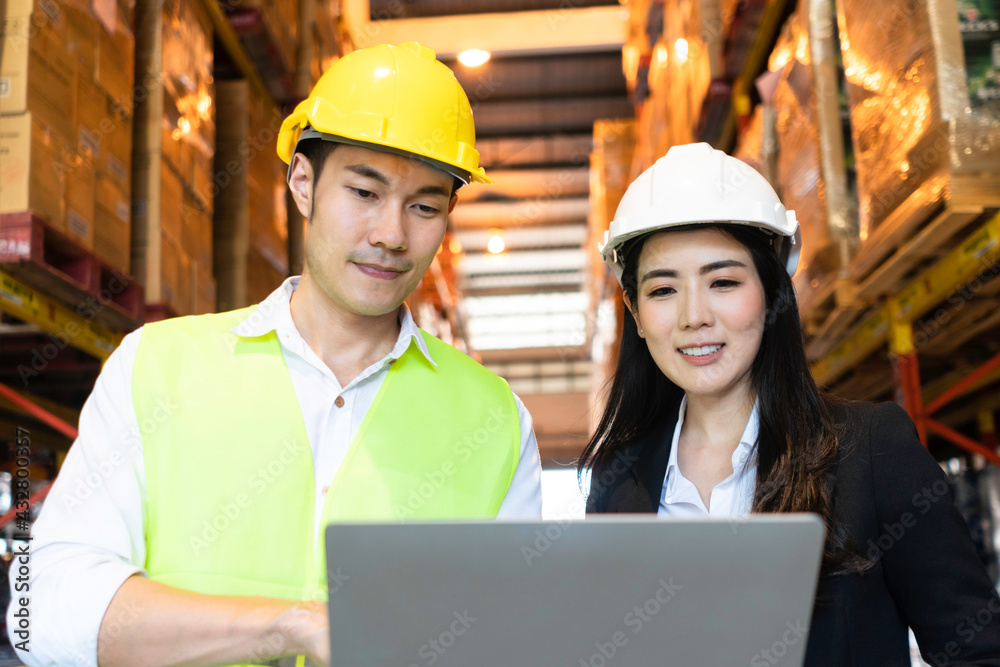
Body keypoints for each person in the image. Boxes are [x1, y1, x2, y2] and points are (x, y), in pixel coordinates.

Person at [8, 42, 542, 667]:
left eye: (423, 206)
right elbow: (43, 611)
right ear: (303, 183)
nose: (391, 234)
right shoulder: (156, 367)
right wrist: (286, 627)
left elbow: (516, 637)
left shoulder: (494, 421)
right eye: (364, 193)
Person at [581, 142, 1000, 665]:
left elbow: (976, 652)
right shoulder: (617, 478)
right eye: (663, 290)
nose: (694, 316)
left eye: (724, 282)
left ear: (772, 292)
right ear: (636, 313)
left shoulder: (872, 450)